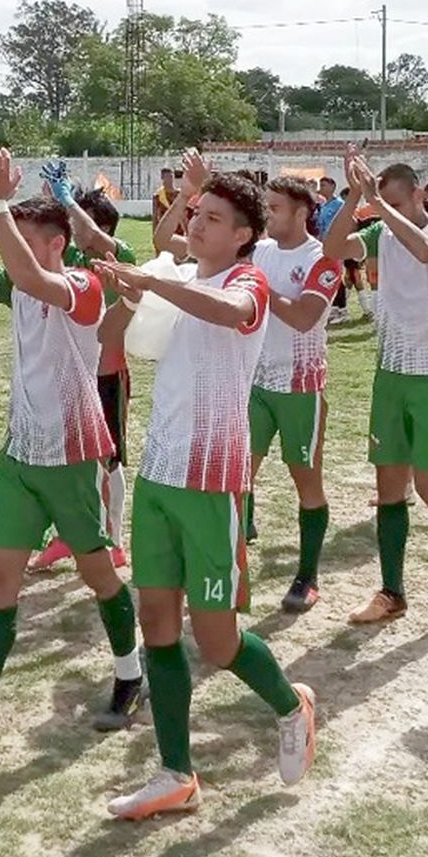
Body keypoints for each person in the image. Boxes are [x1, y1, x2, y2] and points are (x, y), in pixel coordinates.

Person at [94, 169, 317, 821]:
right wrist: (131, 291)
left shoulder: (246, 282)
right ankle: (175, 773)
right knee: (157, 622)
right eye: (196, 212)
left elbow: (232, 313)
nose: (196, 222)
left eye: (214, 218)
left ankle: (290, 705)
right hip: (161, 475)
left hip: (212, 482)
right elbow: (113, 344)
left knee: (217, 642)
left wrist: (156, 280)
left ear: (246, 235)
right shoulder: (181, 278)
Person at [0, 152, 143, 759]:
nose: (14, 242)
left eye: (26, 235)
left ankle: (130, 671)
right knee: (1, 582)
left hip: (73, 454)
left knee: (98, 576)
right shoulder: (20, 279)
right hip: (21, 454)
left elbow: (36, 278)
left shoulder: (84, 285)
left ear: (58, 243)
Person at [324, 153, 428, 625]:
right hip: (391, 373)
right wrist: (357, 197)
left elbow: (424, 251)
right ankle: (392, 592)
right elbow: (331, 248)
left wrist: (379, 205)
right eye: (383, 203)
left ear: (419, 195)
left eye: (395, 201)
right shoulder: (379, 230)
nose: (385, 211)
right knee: (389, 488)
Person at [28, 160, 136, 571]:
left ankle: (115, 539)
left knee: (108, 460)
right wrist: (47, 201)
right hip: (66, 375)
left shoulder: (117, 254)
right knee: (66, 458)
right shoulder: (70, 252)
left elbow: (92, 237)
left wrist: (66, 199)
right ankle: (66, 535)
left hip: (106, 375)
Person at [245, 175, 343, 613]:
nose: (268, 215)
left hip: (301, 387)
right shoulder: (260, 251)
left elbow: (304, 317)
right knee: (237, 475)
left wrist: (260, 290)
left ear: (302, 213)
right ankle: (232, 561)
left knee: (305, 481)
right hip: (257, 383)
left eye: (276, 208)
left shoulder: (323, 260)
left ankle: (307, 575)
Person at [314, 175, 344, 241]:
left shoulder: (340, 204)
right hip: (323, 239)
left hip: (335, 239)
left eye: (323, 185)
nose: (321, 188)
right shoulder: (323, 205)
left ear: (332, 187)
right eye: (320, 186)